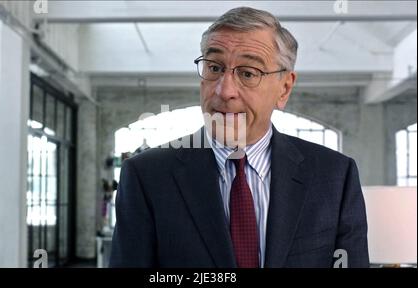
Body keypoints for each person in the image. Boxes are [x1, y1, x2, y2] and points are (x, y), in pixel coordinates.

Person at [109, 7, 369, 268]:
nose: (225, 91)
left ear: (284, 88)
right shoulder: (147, 176)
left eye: (248, 73)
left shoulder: (335, 176)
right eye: (214, 68)